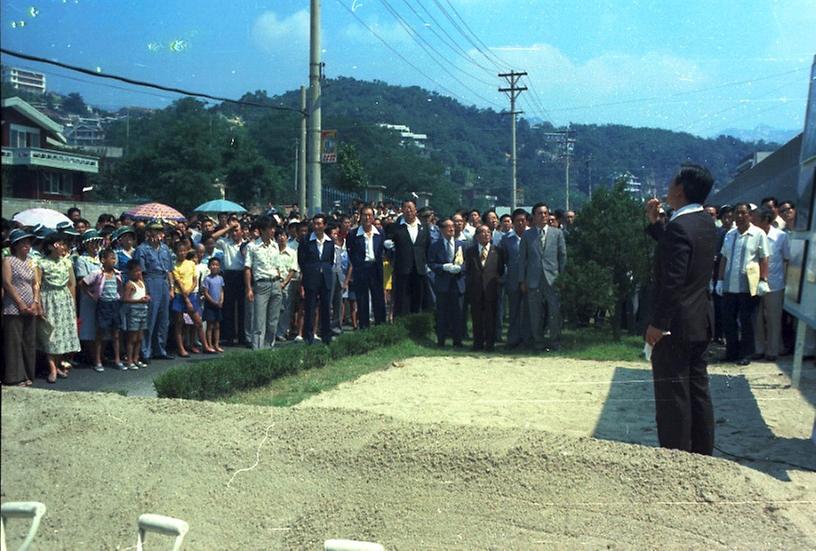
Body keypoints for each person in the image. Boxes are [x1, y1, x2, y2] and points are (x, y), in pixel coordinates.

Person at [644, 164, 718, 455]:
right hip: (699, 320)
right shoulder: (703, 222)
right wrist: (656, 223)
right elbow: (677, 250)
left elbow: (673, 281)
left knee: (673, 395)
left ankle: (676, 457)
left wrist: (658, 324)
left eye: (672, 179)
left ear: (680, 188)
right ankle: (702, 454)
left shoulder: (679, 227)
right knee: (697, 391)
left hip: (675, 325)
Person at [715, 202, 770, 365]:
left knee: (747, 321)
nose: (739, 216)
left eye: (743, 213)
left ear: (750, 215)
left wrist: (763, 280)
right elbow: (724, 257)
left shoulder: (758, 234)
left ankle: (746, 354)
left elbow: (764, 258)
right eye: (736, 213)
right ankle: (731, 352)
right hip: (729, 286)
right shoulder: (730, 234)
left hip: (748, 286)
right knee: (728, 320)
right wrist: (720, 280)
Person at [518, 202, 567, 350]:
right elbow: (522, 259)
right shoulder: (527, 234)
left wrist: (563, 278)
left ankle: (554, 342)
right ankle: (538, 342)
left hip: (553, 279)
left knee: (554, 312)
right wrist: (522, 280)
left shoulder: (557, 233)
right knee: (535, 314)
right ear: (534, 216)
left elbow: (562, 256)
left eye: (545, 213)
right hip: (533, 280)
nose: (543, 216)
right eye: (540, 213)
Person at [38, 231, 81, 383]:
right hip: (48, 299)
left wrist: (73, 304)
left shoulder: (67, 262)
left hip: (64, 300)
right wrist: (39, 304)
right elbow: (37, 284)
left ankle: (57, 366)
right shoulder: (41, 262)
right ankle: (52, 369)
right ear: (51, 246)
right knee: (50, 335)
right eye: (60, 244)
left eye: (64, 244)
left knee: (61, 335)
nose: (63, 247)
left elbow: (72, 284)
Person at [133, 221, 175, 362]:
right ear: (148, 232)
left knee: (164, 319)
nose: (158, 234)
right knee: (150, 318)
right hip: (150, 280)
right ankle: (145, 351)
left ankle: (160, 349)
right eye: (155, 231)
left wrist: (171, 287)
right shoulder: (142, 249)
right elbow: (141, 272)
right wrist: (144, 289)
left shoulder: (165, 249)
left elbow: (169, 269)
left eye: (160, 231)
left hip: (163, 281)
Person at [2, 229, 40, 386]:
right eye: (23, 242)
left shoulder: (31, 261)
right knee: (14, 342)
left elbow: (36, 283)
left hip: (31, 305)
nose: (26, 245)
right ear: (15, 245)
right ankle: (15, 377)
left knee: (29, 341)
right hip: (13, 306)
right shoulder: (8, 261)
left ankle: (28, 374)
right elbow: (7, 283)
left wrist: (35, 301)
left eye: (28, 242)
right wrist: (20, 303)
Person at [753, 206, 790, 361]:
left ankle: (773, 351)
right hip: (755, 283)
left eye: (755, 219)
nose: (752, 222)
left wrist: (787, 282)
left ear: (765, 220)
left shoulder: (781, 236)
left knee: (774, 318)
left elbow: (786, 259)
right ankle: (758, 348)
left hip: (775, 284)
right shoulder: (754, 235)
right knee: (757, 318)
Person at [384, 199, 431, 317]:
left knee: (418, 298)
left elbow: (427, 246)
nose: (408, 210)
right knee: (402, 299)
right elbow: (388, 244)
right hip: (402, 268)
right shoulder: (395, 227)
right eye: (405, 207)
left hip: (419, 269)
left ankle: (416, 325)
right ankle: (401, 324)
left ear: (416, 210)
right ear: (402, 210)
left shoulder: (424, 227)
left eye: (411, 207)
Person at [244, 216, 283, 349]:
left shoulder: (275, 246)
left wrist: (280, 282)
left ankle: (269, 347)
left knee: (273, 321)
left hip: (276, 283)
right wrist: (249, 288)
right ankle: (258, 350)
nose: (272, 231)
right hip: (261, 285)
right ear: (261, 230)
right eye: (269, 228)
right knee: (259, 321)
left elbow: (277, 266)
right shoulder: (252, 246)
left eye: (273, 228)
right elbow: (248, 268)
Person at [345, 205, 386, 330]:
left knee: (378, 298)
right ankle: (364, 327)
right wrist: (358, 265)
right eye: (364, 215)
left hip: (376, 268)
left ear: (373, 217)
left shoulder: (380, 233)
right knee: (362, 299)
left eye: (370, 215)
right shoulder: (353, 234)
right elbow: (350, 252)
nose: (367, 218)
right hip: (361, 269)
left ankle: (380, 326)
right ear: (360, 217)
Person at [465, 225, 505, 351]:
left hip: (491, 289)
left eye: (488, 232)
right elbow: (468, 270)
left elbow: (501, 269)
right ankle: (477, 343)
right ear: (477, 236)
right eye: (482, 232)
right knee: (476, 318)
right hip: (475, 289)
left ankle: (490, 344)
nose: (486, 234)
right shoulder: (470, 251)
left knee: (491, 317)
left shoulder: (498, 251)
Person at [84, 248, 125, 371]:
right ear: (103, 260)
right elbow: (83, 283)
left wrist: (120, 297)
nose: (113, 260)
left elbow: (120, 288)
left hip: (114, 304)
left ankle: (117, 359)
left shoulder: (117, 274)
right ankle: (98, 360)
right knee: (100, 334)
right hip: (103, 305)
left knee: (116, 333)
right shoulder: (97, 273)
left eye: (114, 258)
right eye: (111, 258)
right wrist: (93, 296)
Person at [428, 218, 465, 347]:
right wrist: (443, 267)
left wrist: (460, 268)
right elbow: (431, 263)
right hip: (442, 284)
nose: (452, 229)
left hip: (457, 283)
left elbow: (467, 263)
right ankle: (441, 340)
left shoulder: (461, 244)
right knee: (442, 313)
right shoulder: (435, 245)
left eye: (453, 227)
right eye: (448, 227)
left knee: (458, 313)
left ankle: (458, 341)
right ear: (442, 229)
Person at [299, 213, 336, 344]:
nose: (317, 226)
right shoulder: (306, 240)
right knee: (310, 308)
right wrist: (309, 272)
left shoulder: (330, 242)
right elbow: (301, 261)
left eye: (319, 224)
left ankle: (326, 335)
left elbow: (330, 260)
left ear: (325, 225)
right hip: (311, 278)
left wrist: (323, 269)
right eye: (315, 224)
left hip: (325, 278)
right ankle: (308, 337)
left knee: (326, 307)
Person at [172, 241, 213, 356]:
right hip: (180, 295)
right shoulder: (175, 266)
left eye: (184, 251)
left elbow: (195, 280)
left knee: (198, 322)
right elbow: (179, 283)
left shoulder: (191, 264)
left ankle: (205, 345)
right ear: (176, 253)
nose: (182, 253)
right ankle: (181, 349)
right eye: (180, 251)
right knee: (179, 324)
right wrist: (186, 297)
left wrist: (189, 292)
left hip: (191, 294)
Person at [501, 209, 531, 349]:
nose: (520, 223)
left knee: (528, 311)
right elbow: (504, 259)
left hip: (530, 280)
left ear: (527, 221)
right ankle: (512, 339)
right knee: (513, 311)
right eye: (517, 220)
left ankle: (527, 339)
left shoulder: (532, 236)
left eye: (523, 220)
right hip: (513, 280)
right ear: (513, 222)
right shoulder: (506, 239)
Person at [216, 220, 246, 346]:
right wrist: (228, 228)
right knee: (228, 307)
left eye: (236, 230)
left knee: (242, 308)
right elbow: (213, 237)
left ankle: (242, 336)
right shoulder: (226, 243)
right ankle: (229, 336)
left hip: (242, 275)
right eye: (232, 231)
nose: (234, 233)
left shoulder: (247, 244)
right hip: (229, 275)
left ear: (242, 231)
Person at [75, 230, 103, 360]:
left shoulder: (101, 258)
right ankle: (91, 356)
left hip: (102, 296)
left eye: (97, 242)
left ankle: (99, 355)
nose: (95, 245)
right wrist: (92, 293)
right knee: (89, 325)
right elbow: (82, 281)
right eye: (92, 243)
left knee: (100, 326)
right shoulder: (82, 259)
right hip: (89, 297)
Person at [122, 259, 150, 370]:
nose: (138, 273)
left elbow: (145, 294)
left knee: (139, 337)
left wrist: (146, 298)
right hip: (134, 311)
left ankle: (136, 358)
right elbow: (125, 299)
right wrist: (139, 301)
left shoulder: (142, 282)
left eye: (139, 271)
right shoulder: (130, 284)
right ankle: (129, 360)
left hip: (143, 310)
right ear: (130, 272)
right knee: (132, 338)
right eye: (135, 271)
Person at [203, 257, 226, 353]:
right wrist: (213, 302)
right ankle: (209, 344)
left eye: (217, 265)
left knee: (217, 325)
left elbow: (221, 291)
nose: (214, 267)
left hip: (218, 305)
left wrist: (221, 300)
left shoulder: (220, 278)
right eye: (213, 265)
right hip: (210, 305)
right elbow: (206, 293)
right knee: (210, 325)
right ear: (209, 266)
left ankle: (216, 344)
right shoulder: (207, 279)